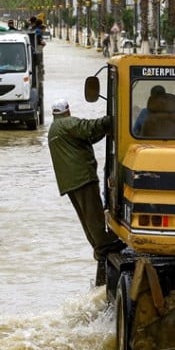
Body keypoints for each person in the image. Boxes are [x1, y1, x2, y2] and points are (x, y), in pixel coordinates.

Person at [47, 98, 124, 286]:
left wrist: (103, 131)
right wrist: (110, 120)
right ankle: (105, 246)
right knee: (94, 214)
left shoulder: (55, 129)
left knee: (86, 218)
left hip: (69, 181)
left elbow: (86, 136)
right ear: (68, 111)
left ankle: (99, 247)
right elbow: (88, 128)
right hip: (82, 177)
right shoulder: (68, 123)